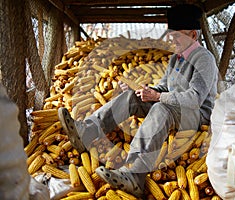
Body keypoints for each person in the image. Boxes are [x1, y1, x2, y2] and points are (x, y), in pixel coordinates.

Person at [58, 4, 218, 197]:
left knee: (161, 109)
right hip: (174, 106)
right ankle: (87, 132)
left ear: (193, 35)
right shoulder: (177, 59)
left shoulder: (204, 59)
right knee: (131, 97)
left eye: (177, 36)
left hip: (196, 115)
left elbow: (194, 98)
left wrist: (158, 97)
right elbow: (163, 87)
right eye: (171, 35)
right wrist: (143, 91)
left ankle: (135, 174)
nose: (171, 39)